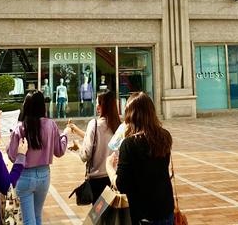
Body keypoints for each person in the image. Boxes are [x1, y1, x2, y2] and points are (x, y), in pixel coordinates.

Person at [7, 91, 68, 225]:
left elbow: (10, 154)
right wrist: (65, 135)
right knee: (36, 216)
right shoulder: (50, 124)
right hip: (44, 174)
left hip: (24, 175)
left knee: (29, 219)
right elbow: (59, 151)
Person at [115, 92, 174, 225]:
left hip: (144, 214)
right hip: (166, 210)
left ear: (131, 116)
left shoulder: (129, 144)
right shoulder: (165, 137)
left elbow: (122, 184)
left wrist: (109, 168)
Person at [67, 90, 121, 200]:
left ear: (101, 106)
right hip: (113, 177)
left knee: (98, 210)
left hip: (97, 180)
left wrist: (79, 146)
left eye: (97, 102)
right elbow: (100, 142)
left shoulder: (94, 124)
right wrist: (76, 130)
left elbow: (85, 155)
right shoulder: (118, 126)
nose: (96, 105)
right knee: (111, 210)